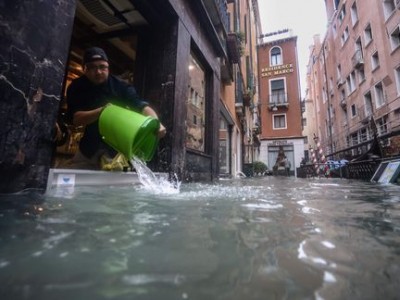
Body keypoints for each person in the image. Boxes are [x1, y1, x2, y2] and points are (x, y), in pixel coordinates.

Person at [65, 47, 166, 169]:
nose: (98, 72)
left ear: (108, 68)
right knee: (71, 179)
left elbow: (142, 106)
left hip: (117, 147)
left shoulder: (121, 86)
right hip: (89, 147)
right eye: (92, 67)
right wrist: (102, 111)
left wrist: (156, 123)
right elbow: (76, 119)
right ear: (84, 69)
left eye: (102, 67)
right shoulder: (77, 87)